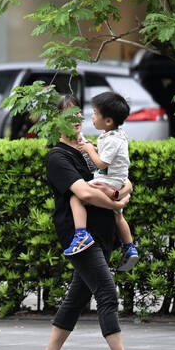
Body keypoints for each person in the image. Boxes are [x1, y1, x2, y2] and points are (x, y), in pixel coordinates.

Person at [37, 105, 142, 350]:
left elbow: (125, 180)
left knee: (77, 297)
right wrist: (117, 198)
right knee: (107, 292)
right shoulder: (58, 158)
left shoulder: (91, 149)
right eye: (67, 116)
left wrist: (120, 193)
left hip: (104, 233)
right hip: (81, 238)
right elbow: (83, 193)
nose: (75, 121)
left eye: (78, 115)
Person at [64, 92, 139, 271]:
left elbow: (101, 163)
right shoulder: (113, 136)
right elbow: (107, 156)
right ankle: (129, 247)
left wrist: (90, 150)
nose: (91, 117)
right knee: (118, 215)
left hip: (108, 181)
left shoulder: (112, 139)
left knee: (76, 198)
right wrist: (93, 148)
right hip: (116, 182)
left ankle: (81, 235)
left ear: (108, 121)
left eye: (96, 113)